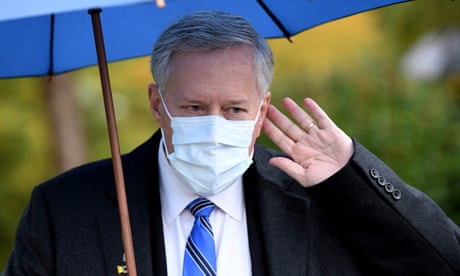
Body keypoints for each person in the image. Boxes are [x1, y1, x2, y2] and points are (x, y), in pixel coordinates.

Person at [4, 10, 460, 276]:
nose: (215, 124)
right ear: (157, 102)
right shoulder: (64, 209)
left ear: (261, 110)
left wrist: (354, 177)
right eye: (194, 108)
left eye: (235, 110)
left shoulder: (327, 200)